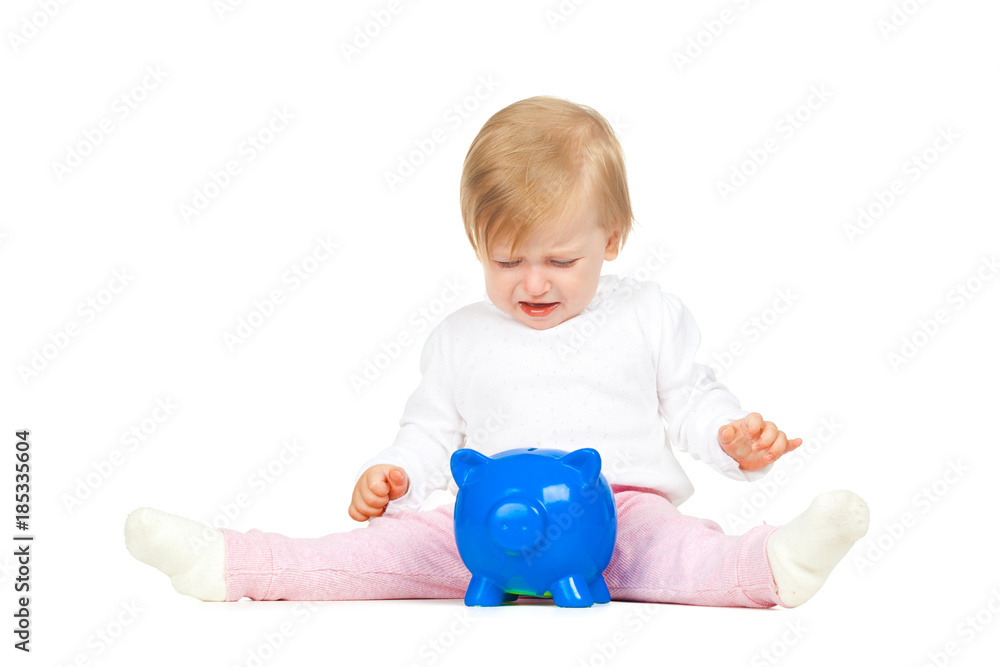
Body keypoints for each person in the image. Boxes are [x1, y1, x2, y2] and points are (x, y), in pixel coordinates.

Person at [125, 95, 869, 608]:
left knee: (684, 558)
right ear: (477, 245)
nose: (533, 283)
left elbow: (692, 399)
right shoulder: (460, 337)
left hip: (618, 516)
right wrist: (396, 474)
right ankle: (231, 563)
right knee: (371, 556)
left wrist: (731, 437)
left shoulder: (649, 314)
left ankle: (776, 563)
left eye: (560, 260)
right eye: (506, 261)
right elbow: (428, 431)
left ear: (611, 239)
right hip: (482, 526)